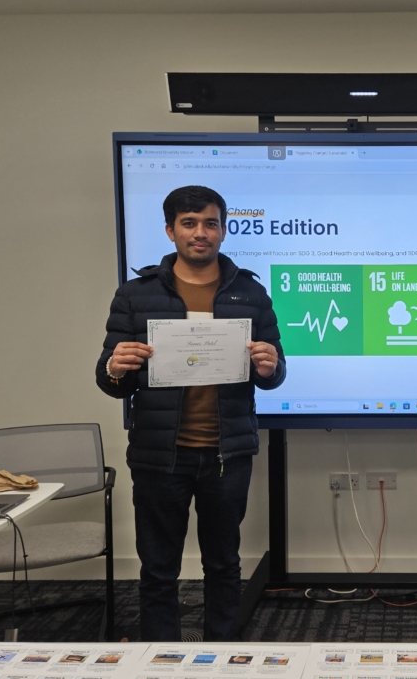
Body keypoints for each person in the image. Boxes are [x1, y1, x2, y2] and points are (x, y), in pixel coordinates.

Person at [95, 185, 285, 641]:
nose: (201, 233)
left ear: (223, 229)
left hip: (228, 453)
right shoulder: (135, 295)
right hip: (160, 454)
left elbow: (274, 373)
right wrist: (115, 367)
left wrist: (270, 365)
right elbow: (109, 381)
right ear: (170, 230)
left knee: (224, 563)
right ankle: (159, 656)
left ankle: (222, 653)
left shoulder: (250, 293)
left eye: (211, 223)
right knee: (158, 566)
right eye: (189, 223)